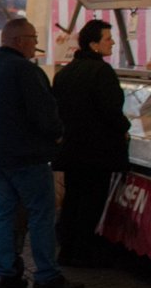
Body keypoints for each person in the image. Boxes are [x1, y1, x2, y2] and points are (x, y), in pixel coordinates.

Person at [0, 18, 84, 288]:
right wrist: (56, 134)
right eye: (33, 39)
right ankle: (46, 274)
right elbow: (45, 114)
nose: (35, 45)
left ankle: (3, 270)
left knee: (2, 212)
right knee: (41, 214)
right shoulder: (26, 72)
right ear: (18, 40)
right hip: (29, 156)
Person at [52, 19, 130, 268]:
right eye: (108, 38)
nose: (113, 42)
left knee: (73, 198)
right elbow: (111, 110)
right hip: (97, 151)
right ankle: (82, 252)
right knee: (91, 201)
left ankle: (66, 249)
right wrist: (125, 128)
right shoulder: (101, 72)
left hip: (73, 148)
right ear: (94, 44)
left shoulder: (66, 71)